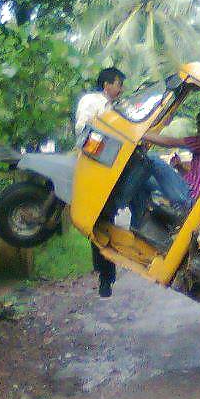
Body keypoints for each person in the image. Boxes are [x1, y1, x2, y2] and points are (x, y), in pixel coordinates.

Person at [74, 67, 126, 298]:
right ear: (107, 85)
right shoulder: (92, 102)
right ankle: (105, 276)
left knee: (105, 223)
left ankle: (108, 276)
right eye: (118, 84)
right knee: (97, 224)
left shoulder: (113, 107)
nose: (120, 88)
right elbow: (84, 131)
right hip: (94, 170)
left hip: (108, 171)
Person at [131, 109, 200, 223]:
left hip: (188, 196)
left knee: (152, 158)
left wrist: (140, 134)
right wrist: (179, 167)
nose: (198, 127)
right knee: (143, 181)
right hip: (188, 193)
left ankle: (118, 204)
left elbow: (170, 142)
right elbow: (198, 177)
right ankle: (138, 223)